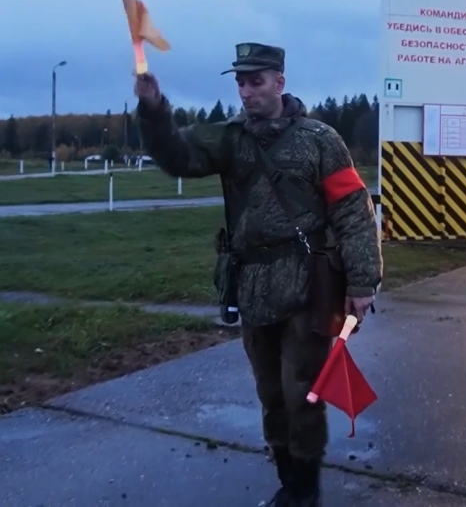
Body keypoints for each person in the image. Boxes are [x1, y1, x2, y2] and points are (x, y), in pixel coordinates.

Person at [133, 42, 382, 506]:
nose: (247, 92)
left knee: (302, 393)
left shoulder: (319, 139)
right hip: (252, 286)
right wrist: (153, 109)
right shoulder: (231, 139)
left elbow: (352, 209)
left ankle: (303, 491)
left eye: (257, 81)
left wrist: (363, 282)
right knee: (270, 394)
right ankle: (288, 479)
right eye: (241, 83)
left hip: (307, 283)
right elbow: (179, 157)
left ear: (280, 82)